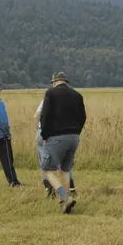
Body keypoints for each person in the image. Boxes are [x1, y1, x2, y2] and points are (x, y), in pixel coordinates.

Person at [39, 72, 86, 214]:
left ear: (54, 82)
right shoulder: (77, 95)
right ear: (65, 81)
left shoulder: (51, 93)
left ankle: (65, 198)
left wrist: (45, 136)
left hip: (57, 137)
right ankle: (66, 207)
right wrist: (77, 131)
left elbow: (44, 116)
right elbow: (83, 116)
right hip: (74, 137)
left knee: (47, 170)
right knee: (65, 170)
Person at [34, 101, 73, 198]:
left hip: (42, 132)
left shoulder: (46, 100)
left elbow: (36, 116)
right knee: (63, 162)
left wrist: (38, 129)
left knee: (44, 163)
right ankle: (70, 189)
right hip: (58, 133)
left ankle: (49, 190)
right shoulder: (66, 102)